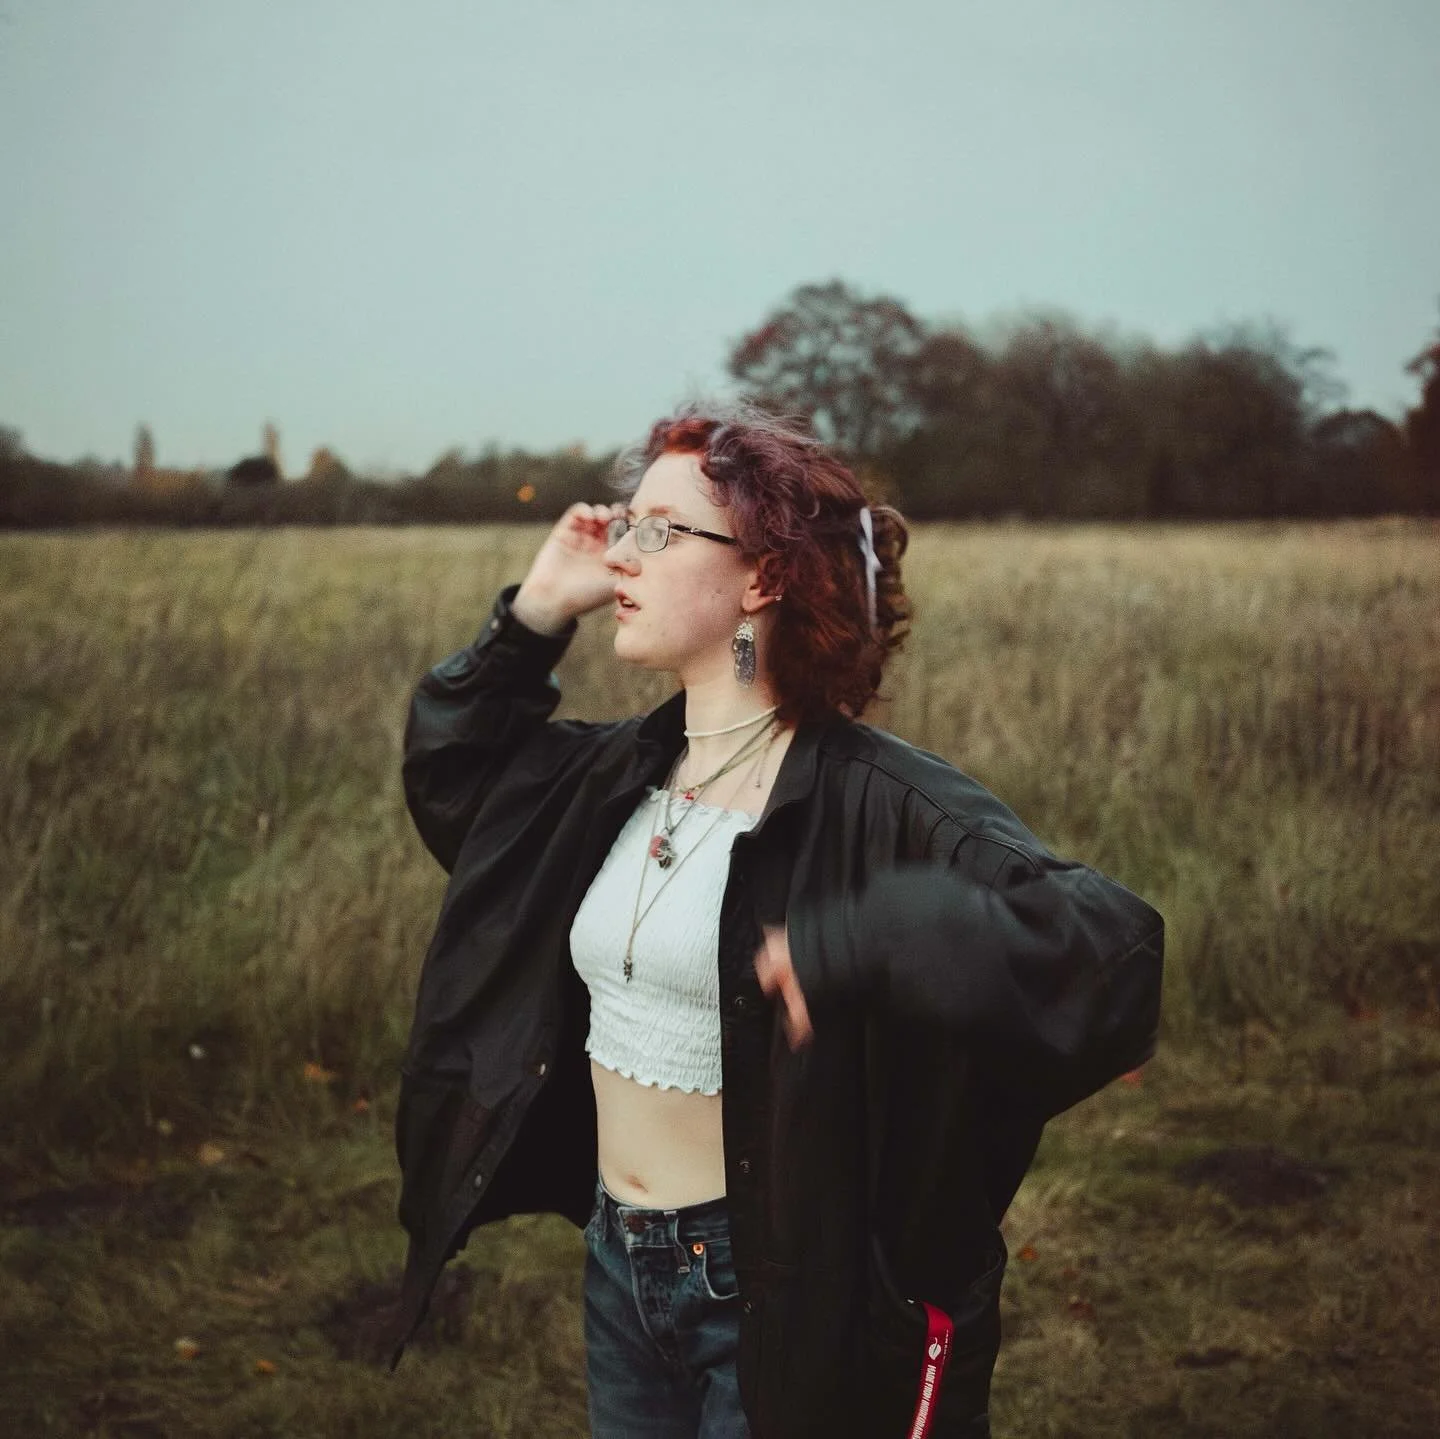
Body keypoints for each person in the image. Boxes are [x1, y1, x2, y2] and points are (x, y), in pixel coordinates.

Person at [389, 402, 1165, 1438]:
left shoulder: (886, 801)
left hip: (782, 1292)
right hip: (622, 1267)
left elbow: (1110, 949)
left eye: (660, 529)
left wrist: (870, 935)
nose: (624, 551)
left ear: (763, 576)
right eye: (624, 523)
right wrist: (533, 612)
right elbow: (458, 784)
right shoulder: (616, 772)